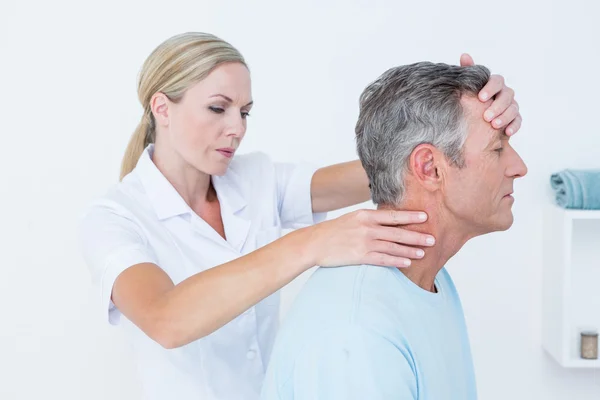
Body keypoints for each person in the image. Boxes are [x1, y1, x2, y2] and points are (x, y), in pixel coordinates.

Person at [77, 32, 522, 400]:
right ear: (162, 108)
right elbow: (166, 319)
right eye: (218, 108)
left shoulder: (255, 178)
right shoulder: (114, 218)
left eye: (245, 112)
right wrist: (311, 244)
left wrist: (467, 117)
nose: (237, 128)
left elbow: (403, 166)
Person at [260, 61, 528, 400]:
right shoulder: (357, 332)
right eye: (498, 149)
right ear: (429, 168)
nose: (519, 168)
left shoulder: (428, 279)